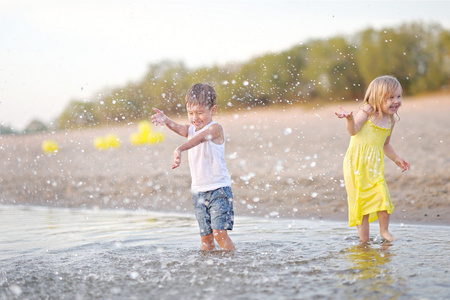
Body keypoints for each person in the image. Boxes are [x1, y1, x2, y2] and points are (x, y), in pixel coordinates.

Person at [151, 83, 235, 251]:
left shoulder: (215, 128)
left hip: (219, 191)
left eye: (200, 113)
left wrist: (180, 148)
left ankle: (233, 264)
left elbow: (200, 138)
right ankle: (208, 270)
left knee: (219, 233)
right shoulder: (191, 130)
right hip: (199, 192)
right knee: (206, 238)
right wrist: (166, 120)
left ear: (213, 110)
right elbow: (181, 128)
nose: (195, 118)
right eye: (190, 113)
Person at [335, 75, 410, 242]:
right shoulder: (367, 111)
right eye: (390, 97)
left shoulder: (390, 120)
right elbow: (354, 131)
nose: (396, 101)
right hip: (355, 164)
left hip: (374, 165)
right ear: (376, 98)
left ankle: (384, 232)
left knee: (382, 196)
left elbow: (385, 144)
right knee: (360, 203)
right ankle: (364, 241)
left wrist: (396, 158)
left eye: (398, 96)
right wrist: (349, 119)